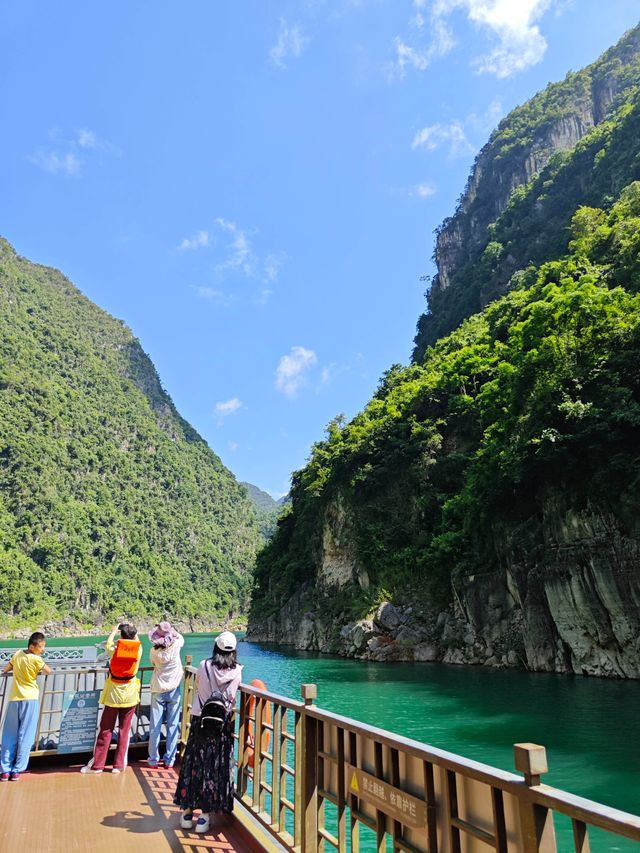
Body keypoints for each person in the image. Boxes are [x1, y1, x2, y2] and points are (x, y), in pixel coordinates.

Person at [174, 631, 242, 834]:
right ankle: (204, 817)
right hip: (221, 727)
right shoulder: (237, 671)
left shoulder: (203, 666)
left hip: (199, 721)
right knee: (214, 768)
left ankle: (187, 813)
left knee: (194, 764)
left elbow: (197, 687)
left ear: (216, 648)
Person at [80, 623, 142, 774]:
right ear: (134, 637)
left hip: (113, 694)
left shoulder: (113, 651)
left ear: (121, 637)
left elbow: (108, 643)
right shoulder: (138, 651)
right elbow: (136, 641)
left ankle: (98, 765)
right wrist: (133, 630)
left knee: (106, 729)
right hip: (130, 695)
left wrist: (114, 630)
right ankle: (119, 765)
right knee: (124, 731)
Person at [1, 631, 52, 781]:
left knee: (9, 735)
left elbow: (6, 669)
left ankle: (5, 770)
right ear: (32, 647)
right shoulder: (36, 660)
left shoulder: (17, 654)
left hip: (14, 698)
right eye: (41, 647)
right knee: (26, 735)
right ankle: (17, 770)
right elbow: (48, 671)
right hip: (30, 699)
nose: (42, 650)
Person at [148, 621, 184, 769]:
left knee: (155, 726)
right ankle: (169, 759)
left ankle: (153, 759)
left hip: (158, 689)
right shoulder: (176, 646)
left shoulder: (154, 652)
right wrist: (171, 632)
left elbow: (153, 665)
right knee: (173, 725)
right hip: (174, 689)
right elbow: (179, 637)